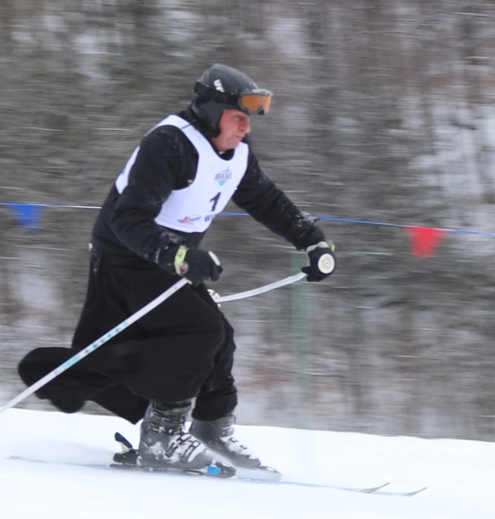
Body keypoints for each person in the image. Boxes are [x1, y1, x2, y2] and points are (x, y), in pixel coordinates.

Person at [18, 63, 336, 474]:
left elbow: (265, 199)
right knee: (197, 332)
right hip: (126, 259)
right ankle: (162, 435)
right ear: (209, 111)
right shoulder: (170, 145)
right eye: (238, 118)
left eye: (249, 121)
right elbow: (128, 219)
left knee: (220, 336)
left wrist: (310, 239)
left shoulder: (235, 153)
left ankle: (211, 426)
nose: (246, 128)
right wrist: (179, 256)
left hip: (167, 257)